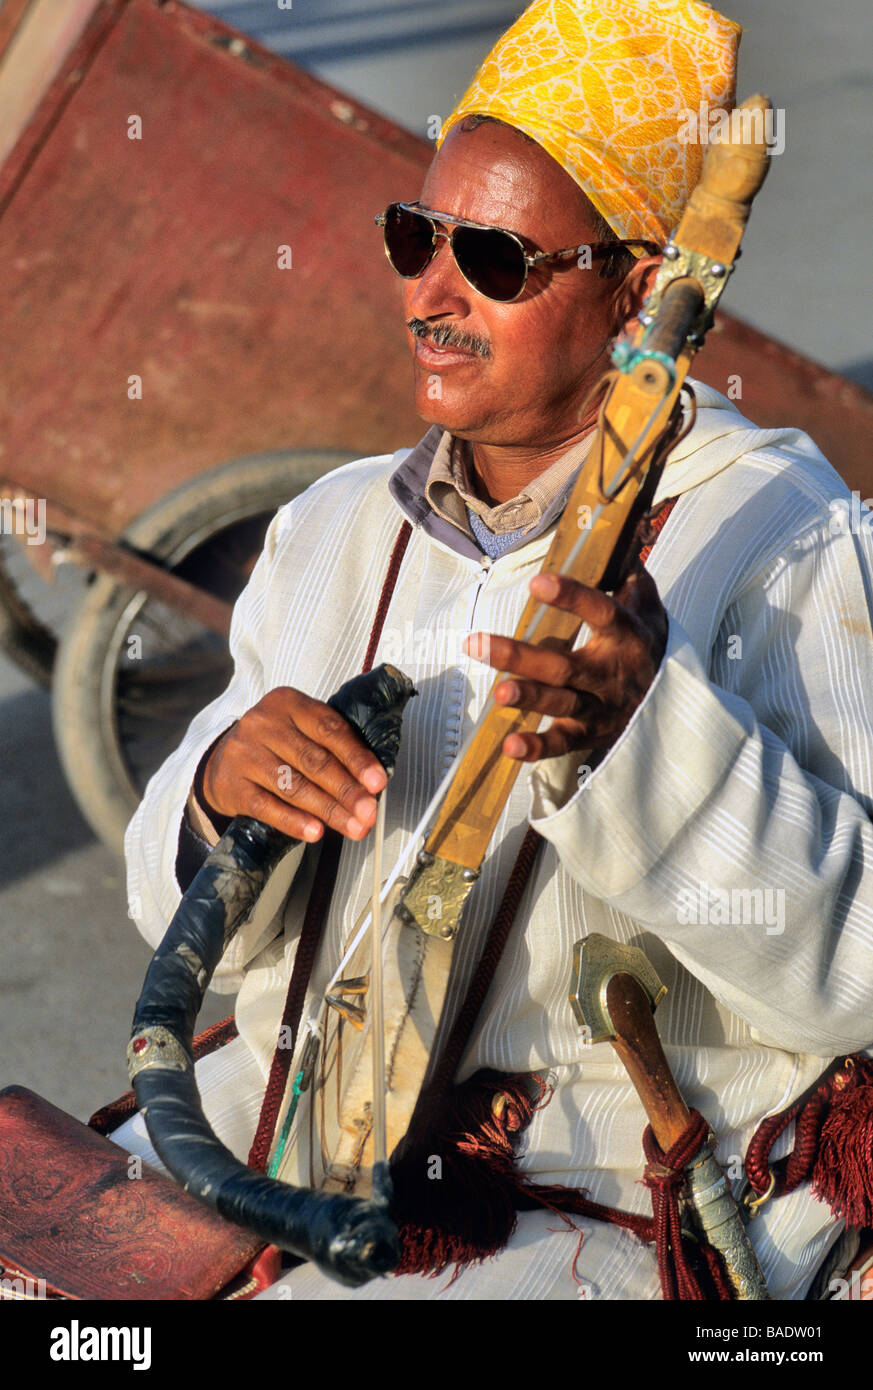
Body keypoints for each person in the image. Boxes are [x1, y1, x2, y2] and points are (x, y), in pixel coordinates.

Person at [118, 0, 873, 1300]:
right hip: (287, 1119)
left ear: (637, 288)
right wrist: (217, 797)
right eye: (416, 237)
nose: (432, 290)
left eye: (496, 259)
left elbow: (855, 976)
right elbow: (179, 910)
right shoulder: (333, 523)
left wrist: (651, 740)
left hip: (584, 1190)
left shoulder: (795, 546)